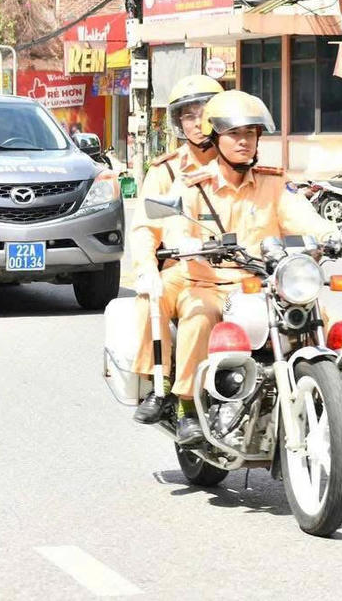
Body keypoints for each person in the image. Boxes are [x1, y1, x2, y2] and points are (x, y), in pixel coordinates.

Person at [133, 89, 338, 445]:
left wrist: (330, 235)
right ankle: (185, 405)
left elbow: (302, 216)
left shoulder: (273, 184)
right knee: (197, 316)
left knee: (316, 314)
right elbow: (173, 225)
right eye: (234, 134)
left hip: (259, 283)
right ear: (216, 138)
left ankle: (330, 387)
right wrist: (186, 244)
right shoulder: (192, 184)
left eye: (250, 134)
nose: (244, 142)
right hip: (206, 282)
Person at [129, 75, 224, 424]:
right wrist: (146, 268)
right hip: (183, 268)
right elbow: (145, 226)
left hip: (236, 268)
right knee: (150, 299)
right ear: (178, 123)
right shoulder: (166, 170)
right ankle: (161, 384)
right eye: (188, 116)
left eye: (205, 114)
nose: (198, 123)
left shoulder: (239, 160)